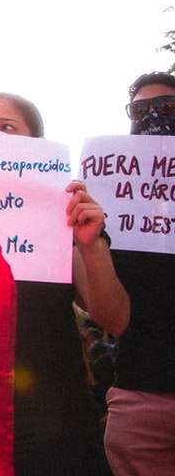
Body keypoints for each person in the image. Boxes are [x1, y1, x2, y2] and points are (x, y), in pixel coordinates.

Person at [0, 92, 126, 476]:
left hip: (52, 418)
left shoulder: (60, 223)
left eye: (7, 127)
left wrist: (90, 246)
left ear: (36, 148)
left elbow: (114, 318)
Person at [104, 72, 175, 474]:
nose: (153, 117)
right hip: (143, 399)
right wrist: (91, 242)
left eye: (167, 107)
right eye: (140, 111)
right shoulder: (115, 211)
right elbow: (112, 319)